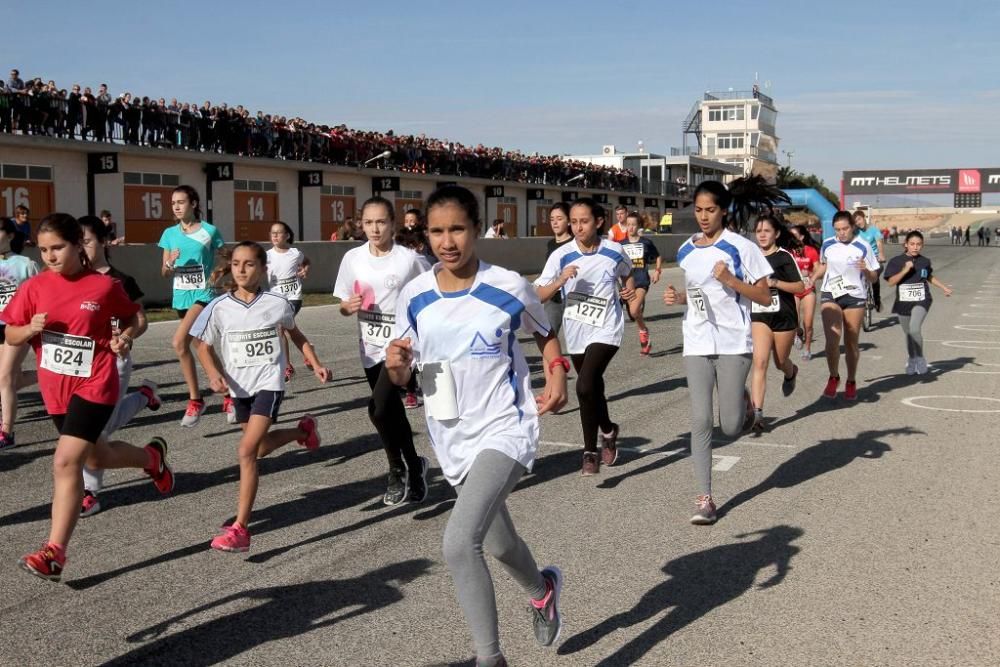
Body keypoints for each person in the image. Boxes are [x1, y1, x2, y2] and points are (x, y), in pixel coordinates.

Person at [385, 185, 567, 667]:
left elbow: (545, 333)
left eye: (457, 229)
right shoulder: (415, 295)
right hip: (449, 429)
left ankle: (490, 659)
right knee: (499, 543)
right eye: (437, 231)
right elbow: (404, 371)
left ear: (476, 228)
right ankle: (542, 589)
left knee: (458, 542)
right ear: (425, 234)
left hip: (505, 426)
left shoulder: (507, 286)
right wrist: (396, 366)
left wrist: (555, 372)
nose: (448, 242)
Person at [5, 214, 174, 581]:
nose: (50, 256)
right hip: (57, 391)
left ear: (78, 245)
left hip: (96, 384)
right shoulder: (33, 289)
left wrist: (125, 338)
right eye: (44, 249)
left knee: (66, 462)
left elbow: (133, 318)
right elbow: (11, 336)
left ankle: (54, 554)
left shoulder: (103, 287)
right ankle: (151, 458)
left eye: (58, 248)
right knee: (98, 455)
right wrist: (29, 329)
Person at [193, 242, 329, 552]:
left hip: (270, 383)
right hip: (239, 387)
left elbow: (296, 335)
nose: (241, 269)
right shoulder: (219, 307)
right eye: (237, 263)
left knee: (246, 452)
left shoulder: (276, 303)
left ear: (263, 269)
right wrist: (214, 374)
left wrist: (315, 363)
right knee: (259, 447)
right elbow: (202, 346)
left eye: (249, 264)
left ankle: (240, 529)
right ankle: (302, 431)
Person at [662, 180, 773, 524]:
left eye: (710, 210)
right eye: (698, 210)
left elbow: (764, 297)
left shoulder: (741, 247)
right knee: (699, 419)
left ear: (724, 210)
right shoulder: (686, 249)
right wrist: (678, 298)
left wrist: (731, 280)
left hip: (732, 342)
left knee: (729, 426)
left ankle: (744, 405)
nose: (704, 217)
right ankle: (705, 499)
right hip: (696, 340)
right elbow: (697, 293)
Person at [333, 196, 430, 505]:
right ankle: (415, 465)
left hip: (400, 348)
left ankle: (395, 468)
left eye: (381, 222)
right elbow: (344, 304)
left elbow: (431, 291)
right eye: (369, 222)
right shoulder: (352, 258)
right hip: (369, 347)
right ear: (361, 224)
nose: (375, 229)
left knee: (377, 408)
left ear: (393, 224)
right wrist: (347, 308)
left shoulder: (408, 259)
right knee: (391, 411)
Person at [535, 198, 634, 475]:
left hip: (607, 327)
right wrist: (559, 281)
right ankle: (608, 429)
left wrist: (629, 293)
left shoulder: (614, 251)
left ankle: (589, 451)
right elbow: (538, 294)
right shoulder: (561, 256)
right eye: (574, 221)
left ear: (598, 222)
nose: (578, 227)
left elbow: (629, 274)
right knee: (593, 389)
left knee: (584, 385)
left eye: (584, 221)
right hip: (577, 329)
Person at [77, 216, 162, 516]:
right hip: (80, 364)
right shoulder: (71, 279)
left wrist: (125, 337)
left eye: (86, 241)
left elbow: (139, 320)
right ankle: (143, 397)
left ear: (103, 241)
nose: (80, 248)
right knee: (98, 427)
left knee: (94, 428)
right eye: (76, 243)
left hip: (113, 361)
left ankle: (90, 493)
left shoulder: (120, 281)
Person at [158, 185, 225, 426]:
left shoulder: (209, 231)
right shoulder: (168, 234)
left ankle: (196, 400)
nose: (176, 207)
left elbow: (225, 258)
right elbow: (164, 272)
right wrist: (170, 263)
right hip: (181, 297)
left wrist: (217, 276)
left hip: (203, 294)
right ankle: (229, 395)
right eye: (173, 203)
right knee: (202, 346)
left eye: (181, 202)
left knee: (179, 342)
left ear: (193, 204)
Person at [813, 210, 880, 401]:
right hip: (831, 293)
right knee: (832, 340)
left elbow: (874, 277)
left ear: (852, 227)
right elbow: (824, 265)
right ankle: (834, 376)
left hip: (854, 296)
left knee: (851, 343)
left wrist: (866, 270)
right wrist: (813, 277)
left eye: (845, 229)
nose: (841, 233)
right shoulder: (827, 244)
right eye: (837, 229)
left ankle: (851, 380)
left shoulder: (863, 246)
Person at [748, 214, 804, 433]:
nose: (762, 235)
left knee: (780, 361)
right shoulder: (749, 256)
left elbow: (800, 287)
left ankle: (791, 372)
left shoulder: (784, 257)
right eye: (758, 231)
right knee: (760, 362)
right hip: (759, 316)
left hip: (784, 317)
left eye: (767, 231)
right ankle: (757, 414)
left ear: (776, 234)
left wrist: (775, 283)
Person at [884, 231, 953, 375]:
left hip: (922, 299)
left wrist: (943, 287)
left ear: (922, 245)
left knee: (914, 328)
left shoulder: (925, 261)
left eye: (918, 244)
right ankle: (912, 358)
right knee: (908, 333)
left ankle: (920, 358)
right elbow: (891, 282)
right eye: (912, 244)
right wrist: (905, 270)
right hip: (903, 301)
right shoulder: (896, 261)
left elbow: (929, 276)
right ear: (906, 245)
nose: (915, 247)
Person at [0, 216, 40, 449]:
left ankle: (7, 432)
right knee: (9, 379)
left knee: (5, 377)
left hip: (17, 326)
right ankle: (51, 375)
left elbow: (41, 294)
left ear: (11, 235)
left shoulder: (25, 264)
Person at [266, 221, 311, 387]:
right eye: (273, 233)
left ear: (287, 235)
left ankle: (287, 366)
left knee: (281, 328)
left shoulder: (294, 253)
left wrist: (305, 269)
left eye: (279, 233)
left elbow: (306, 261)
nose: (275, 236)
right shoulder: (267, 255)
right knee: (289, 331)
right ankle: (308, 353)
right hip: (276, 299)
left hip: (293, 297)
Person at [621, 211, 661, 355]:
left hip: (642, 280)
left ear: (638, 226)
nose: (630, 227)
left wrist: (657, 271)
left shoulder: (646, 242)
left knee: (633, 310)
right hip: (627, 283)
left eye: (633, 224)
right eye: (628, 224)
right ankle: (643, 329)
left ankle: (643, 331)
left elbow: (657, 256)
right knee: (635, 312)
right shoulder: (621, 245)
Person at [788, 224, 820, 361]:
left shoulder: (811, 251)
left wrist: (811, 276)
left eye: (794, 235)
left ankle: (807, 349)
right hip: (794, 290)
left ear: (801, 237)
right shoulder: (788, 253)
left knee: (808, 322)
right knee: (794, 321)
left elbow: (819, 270)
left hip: (808, 290)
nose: (792, 238)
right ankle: (797, 332)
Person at [542, 203, 573, 339]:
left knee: (577, 340)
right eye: (552, 219)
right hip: (553, 298)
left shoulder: (576, 244)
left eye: (559, 218)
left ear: (569, 221)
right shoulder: (550, 244)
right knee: (548, 338)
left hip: (573, 298)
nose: (555, 222)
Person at [854, 210, 885, 311]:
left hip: (874, 258)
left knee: (875, 275)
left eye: (859, 219)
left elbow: (879, 243)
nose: (858, 222)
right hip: (861, 259)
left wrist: (880, 255)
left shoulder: (874, 230)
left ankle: (877, 300)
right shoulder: (856, 233)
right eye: (856, 221)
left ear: (864, 217)